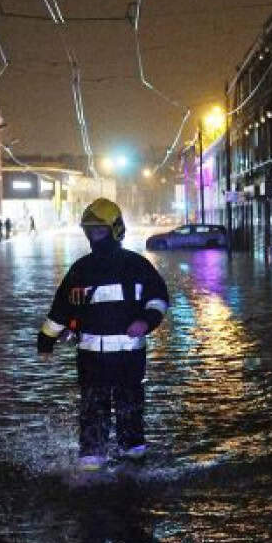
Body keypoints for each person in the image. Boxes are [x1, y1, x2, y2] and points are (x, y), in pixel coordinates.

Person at [37, 198, 169, 472]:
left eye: (100, 231)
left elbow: (158, 298)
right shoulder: (79, 270)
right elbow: (60, 310)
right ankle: (92, 464)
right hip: (91, 357)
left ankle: (133, 462)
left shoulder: (137, 265)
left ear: (115, 229)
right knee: (92, 409)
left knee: (130, 408)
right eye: (91, 231)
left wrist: (146, 321)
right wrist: (46, 342)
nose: (95, 236)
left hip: (128, 355)